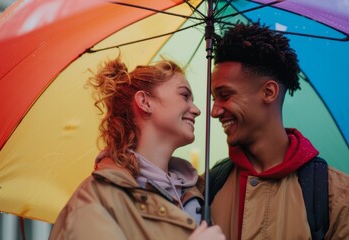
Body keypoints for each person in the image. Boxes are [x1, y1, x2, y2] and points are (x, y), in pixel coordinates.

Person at [209, 23, 349, 239]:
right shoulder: (206, 188)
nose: (214, 111)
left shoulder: (339, 195)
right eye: (213, 98)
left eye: (225, 95)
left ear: (269, 92)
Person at [50, 57, 225, 240]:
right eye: (184, 96)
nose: (196, 109)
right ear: (145, 102)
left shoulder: (199, 191)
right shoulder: (96, 198)